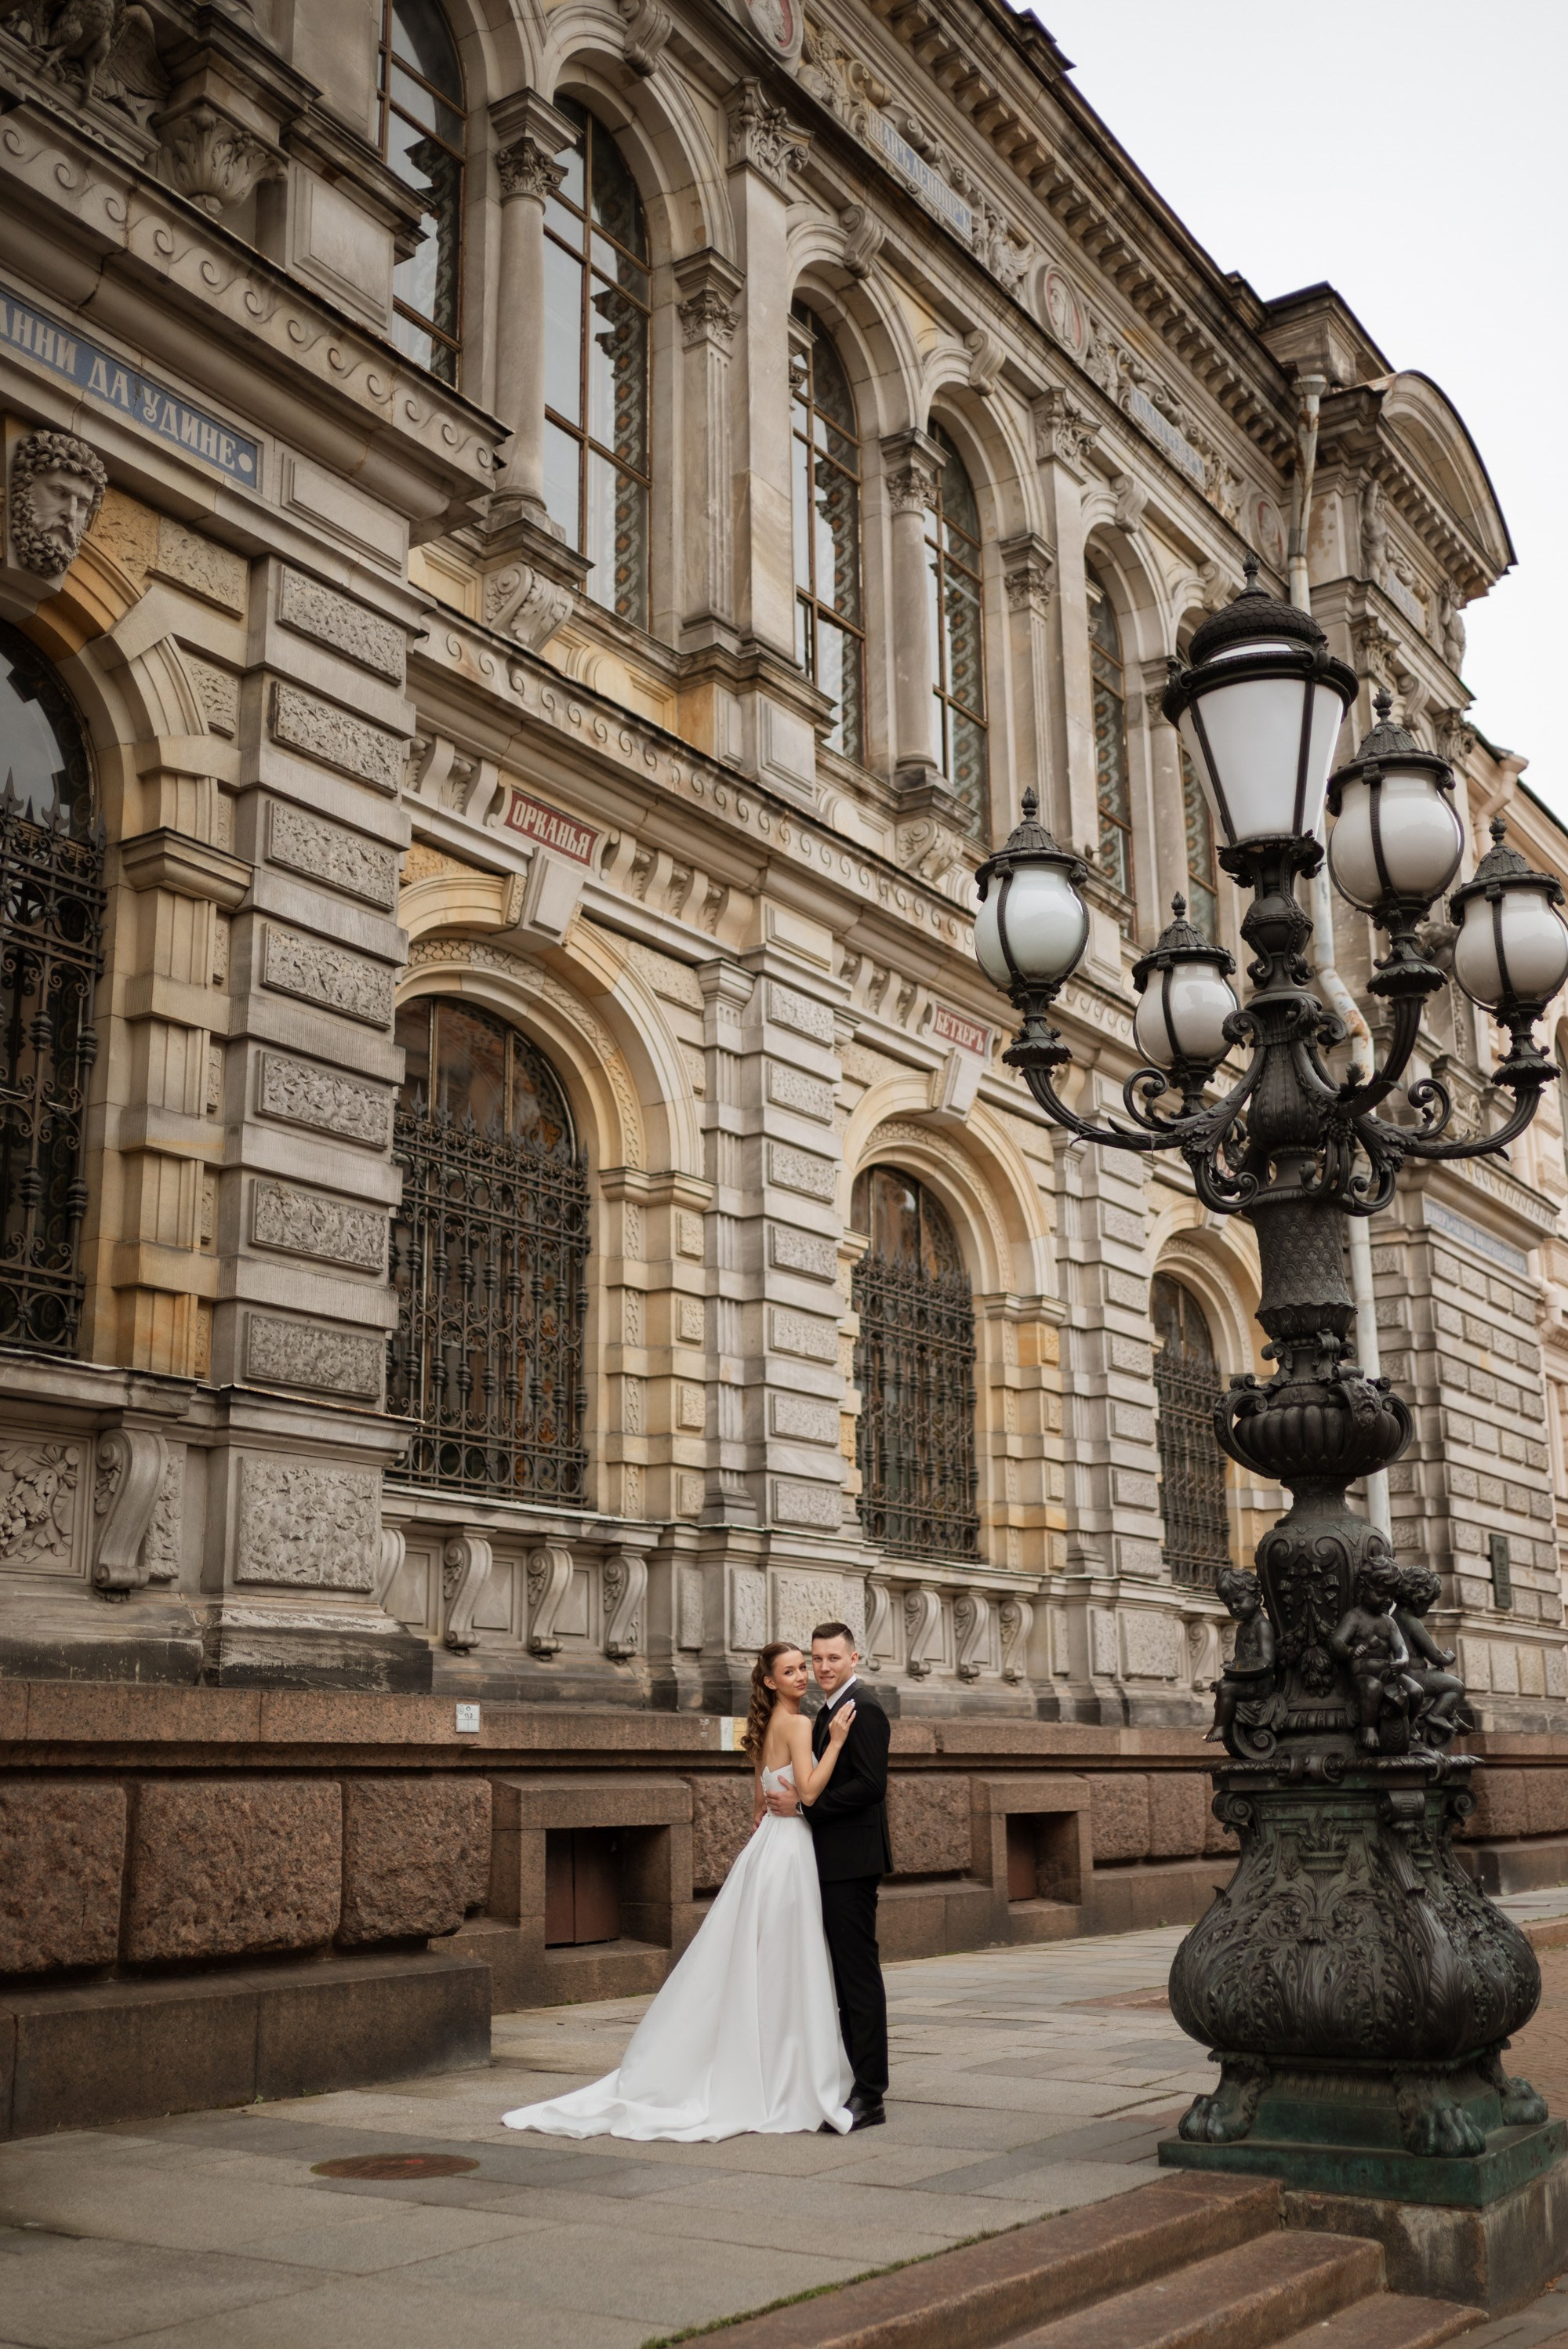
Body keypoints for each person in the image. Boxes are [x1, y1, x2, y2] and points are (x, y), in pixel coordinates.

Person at [500, 1639, 856, 2140]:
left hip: (766, 1851)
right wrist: (836, 1742)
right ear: (770, 1681)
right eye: (791, 1671)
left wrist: (777, 1809)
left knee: (763, 1958)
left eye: (804, 1668)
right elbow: (811, 1792)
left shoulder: (765, 1728)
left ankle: (770, 2064)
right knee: (785, 1959)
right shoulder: (799, 1725)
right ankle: (786, 2069)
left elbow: (758, 1805)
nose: (802, 1676)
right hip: (790, 1850)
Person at [764, 1621, 891, 2132]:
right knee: (838, 1976)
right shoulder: (823, 1711)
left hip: (853, 1863)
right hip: (826, 1860)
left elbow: (871, 1785)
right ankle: (850, 2079)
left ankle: (871, 2094)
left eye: (833, 1658)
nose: (822, 1667)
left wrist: (805, 1808)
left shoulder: (866, 1708)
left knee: (857, 1977)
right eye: (816, 1658)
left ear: (854, 1659)